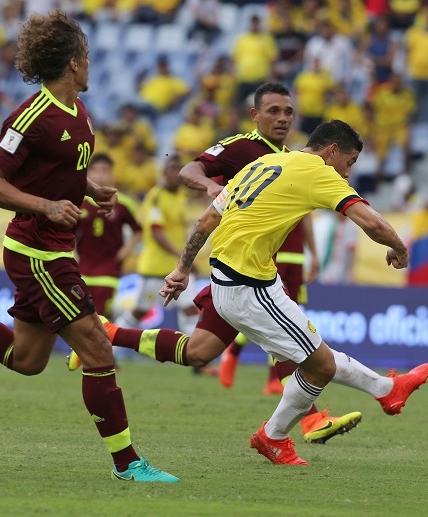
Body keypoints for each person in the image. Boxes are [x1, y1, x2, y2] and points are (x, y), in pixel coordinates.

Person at [68, 84, 363, 445]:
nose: (283, 118)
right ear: (255, 116)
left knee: (200, 350)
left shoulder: (291, 158)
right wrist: (211, 187)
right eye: (273, 111)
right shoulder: (241, 147)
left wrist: (313, 254)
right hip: (239, 273)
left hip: (260, 272)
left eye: (288, 112)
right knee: (288, 339)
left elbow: (300, 216)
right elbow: (190, 170)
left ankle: (107, 332)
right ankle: (310, 420)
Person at [161, 119, 428, 466]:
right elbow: (372, 222)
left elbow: (205, 222)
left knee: (318, 360)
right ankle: (277, 435)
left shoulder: (264, 163)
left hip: (245, 278)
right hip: (246, 286)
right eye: (348, 164)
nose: (346, 175)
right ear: (332, 151)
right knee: (319, 366)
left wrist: (183, 268)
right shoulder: (316, 172)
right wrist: (401, 249)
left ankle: (383, 392)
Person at [0, 10, 176, 482]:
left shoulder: (79, 112)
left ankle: (127, 463)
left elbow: (60, 170)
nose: (90, 65)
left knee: (28, 361)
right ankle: (128, 464)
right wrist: (44, 206)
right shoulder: (30, 116)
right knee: (96, 346)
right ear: (74, 62)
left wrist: (89, 190)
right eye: (87, 57)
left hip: (54, 248)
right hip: (38, 252)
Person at [113, 156, 199, 338]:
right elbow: (156, 233)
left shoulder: (180, 197)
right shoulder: (156, 196)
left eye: (179, 170)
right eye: (172, 169)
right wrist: (184, 255)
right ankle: (110, 344)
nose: (176, 174)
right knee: (139, 312)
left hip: (177, 267)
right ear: (164, 172)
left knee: (190, 309)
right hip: (155, 268)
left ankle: (197, 359)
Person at [75, 153, 142, 321]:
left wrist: (123, 253)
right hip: (82, 270)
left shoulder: (123, 204)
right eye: (95, 170)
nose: (100, 175)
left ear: (112, 175)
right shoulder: (78, 201)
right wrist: (73, 254)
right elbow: (68, 231)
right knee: (81, 319)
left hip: (109, 269)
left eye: (105, 170)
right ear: (88, 174)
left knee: (102, 319)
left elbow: (139, 230)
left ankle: (103, 347)